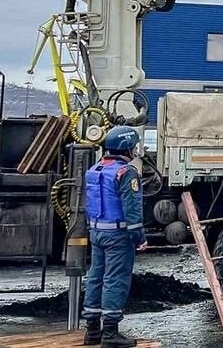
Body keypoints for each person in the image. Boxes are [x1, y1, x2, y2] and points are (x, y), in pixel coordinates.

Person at [82, 125, 145, 347]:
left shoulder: (95, 169)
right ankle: (110, 334)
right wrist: (139, 237)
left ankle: (91, 331)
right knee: (115, 280)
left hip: (97, 232)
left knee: (95, 277)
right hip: (118, 235)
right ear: (127, 148)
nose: (136, 150)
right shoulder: (126, 172)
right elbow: (132, 208)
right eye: (134, 146)